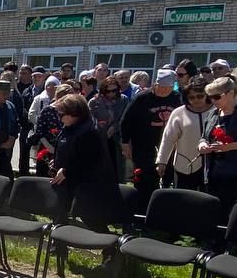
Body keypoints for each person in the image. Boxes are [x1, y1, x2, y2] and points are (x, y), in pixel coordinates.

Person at [198, 74, 237, 219]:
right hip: (213, 170)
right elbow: (204, 136)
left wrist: (231, 146)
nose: (213, 101)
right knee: (212, 208)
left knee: (226, 210)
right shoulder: (213, 113)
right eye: (210, 97)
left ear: (231, 93)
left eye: (217, 97)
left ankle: (224, 240)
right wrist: (202, 144)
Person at [50, 93, 116, 225]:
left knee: (90, 218)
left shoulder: (90, 131)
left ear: (74, 113)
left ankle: (109, 243)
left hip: (83, 183)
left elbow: (89, 160)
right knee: (59, 213)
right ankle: (58, 244)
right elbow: (65, 146)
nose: (59, 117)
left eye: (61, 114)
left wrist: (66, 170)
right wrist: (57, 160)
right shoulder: (69, 127)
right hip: (65, 181)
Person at [120, 69, 181, 209]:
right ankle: (140, 210)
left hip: (167, 145)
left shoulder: (176, 98)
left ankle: (159, 210)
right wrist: (125, 143)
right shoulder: (142, 98)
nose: (164, 91)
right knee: (143, 178)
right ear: (155, 84)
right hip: (143, 145)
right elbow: (126, 121)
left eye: (168, 88)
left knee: (165, 178)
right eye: (162, 87)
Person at [157, 79, 210, 190]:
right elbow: (168, 138)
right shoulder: (179, 113)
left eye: (200, 96)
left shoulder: (216, 111)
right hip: (184, 164)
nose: (196, 100)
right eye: (192, 97)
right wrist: (162, 162)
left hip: (211, 166)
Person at [89, 77, 127, 174]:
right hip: (100, 136)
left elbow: (124, 118)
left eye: (114, 90)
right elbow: (91, 118)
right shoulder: (94, 101)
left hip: (117, 137)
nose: (111, 93)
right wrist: (99, 127)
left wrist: (114, 127)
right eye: (107, 91)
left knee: (117, 166)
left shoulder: (123, 100)